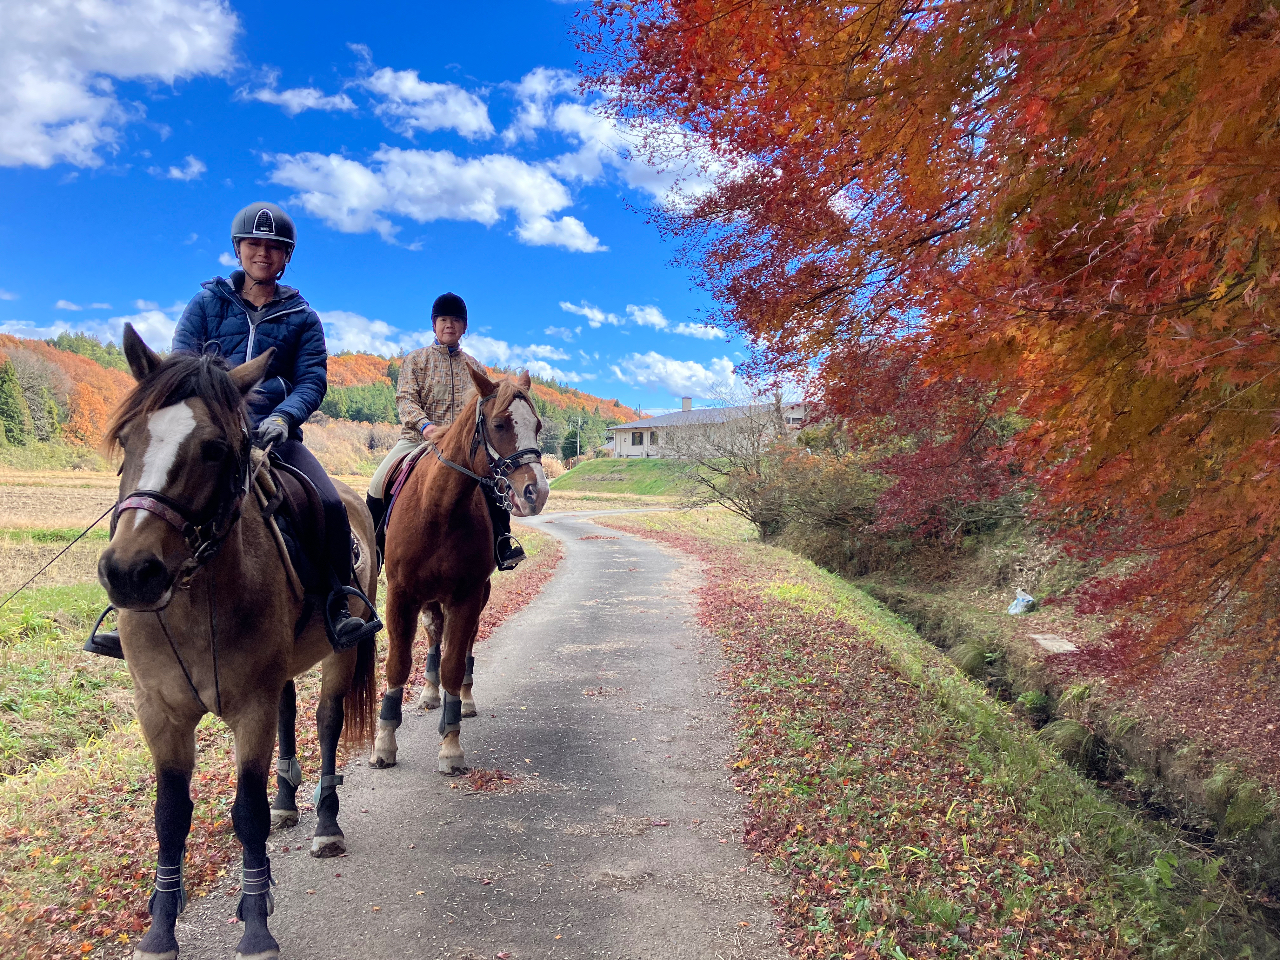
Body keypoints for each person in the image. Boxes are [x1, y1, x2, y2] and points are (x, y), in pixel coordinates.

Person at [170, 202, 381, 649]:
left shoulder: (302, 317)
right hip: (210, 433)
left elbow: (313, 379)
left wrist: (285, 417)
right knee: (146, 494)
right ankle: (128, 602)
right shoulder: (206, 303)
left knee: (327, 503)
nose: (262, 253)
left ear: (286, 257)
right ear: (238, 249)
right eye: (253, 244)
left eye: (273, 247)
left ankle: (339, 602)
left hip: (274, 433)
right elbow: (180, 366)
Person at [366, 292, 524, 570]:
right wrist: (425, 427)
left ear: (464, 327)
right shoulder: (416, 360)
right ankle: (375, 548)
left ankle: (503, 543)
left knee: (494, 485)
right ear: (433, 325)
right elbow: (405, 399)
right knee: (378, 484)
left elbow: (489, 408)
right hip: (417, 440)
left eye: (455, 320)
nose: (449, 325)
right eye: (443, 319)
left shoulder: (475, 367)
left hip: (465, 446)